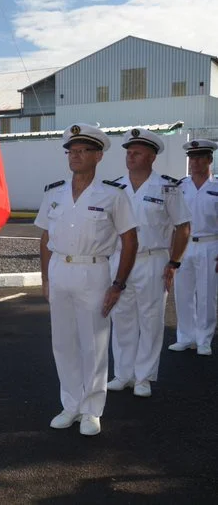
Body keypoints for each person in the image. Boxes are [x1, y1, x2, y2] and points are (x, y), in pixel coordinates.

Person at [35, 123, 137, 437]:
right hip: (59, 271)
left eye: (82, 151)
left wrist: (118, 284)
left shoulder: (112, 195)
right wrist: (45, 279)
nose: (75, 156)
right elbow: (44, 238)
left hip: (94, 272)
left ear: (98, 156)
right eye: (71, 151)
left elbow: (130, 240)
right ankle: (71, 404)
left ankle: (92, 410)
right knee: (63, 343)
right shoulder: (54, 193)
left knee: (93, 343)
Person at [106, 129, 191, 398]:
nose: (130, 155)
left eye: (137, 151)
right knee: (121, 318)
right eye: (129, 151)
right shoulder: (114, 187)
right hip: (121, 259)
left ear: (152, 157)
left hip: (153, 260)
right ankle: (123, 373)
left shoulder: (167, 187)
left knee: (151, 319)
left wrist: (174, 263)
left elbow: (183, 227)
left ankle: (144, 376)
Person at [171, 139, 218, 356]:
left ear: (210, 159)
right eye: (192, 158)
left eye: (200, 158)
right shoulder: (180, 187)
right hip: (185, 246)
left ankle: (204, 338)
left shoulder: (216, 187)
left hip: (210, 245)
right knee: (183, 292)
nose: (195, 162)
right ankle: (185, 336)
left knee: (208, 294)